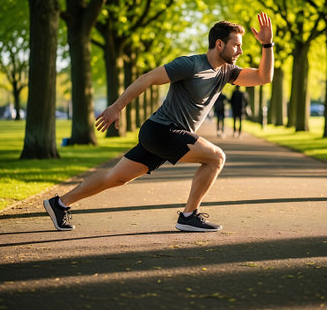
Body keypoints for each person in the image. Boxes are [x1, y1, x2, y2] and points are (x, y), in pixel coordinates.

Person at [44, 13, 274, 232]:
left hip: (165, 135)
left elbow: (264, 77)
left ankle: (60, 203)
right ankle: (189, 216)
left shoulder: (227, 72)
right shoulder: (190, 64)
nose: (241, 51)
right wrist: (116, 107)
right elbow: (148, 78)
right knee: (216, 157)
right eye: (237, 45)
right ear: (220, 44)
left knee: (115, 178)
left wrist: (267, 45)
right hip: (162, 131)